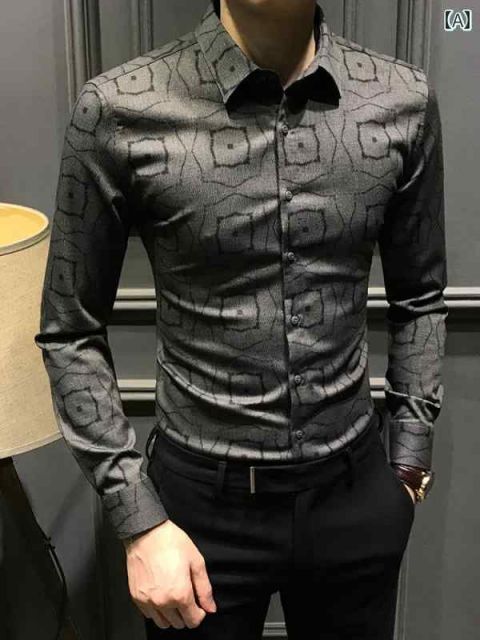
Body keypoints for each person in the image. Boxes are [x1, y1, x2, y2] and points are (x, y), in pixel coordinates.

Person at [34, 0, 448, 637]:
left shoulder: (402, 100)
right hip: (194, 518)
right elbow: (70, 329)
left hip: (355, 499)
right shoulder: (118, 109)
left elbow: (420, 297)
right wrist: (138, 518)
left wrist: (408, 469)